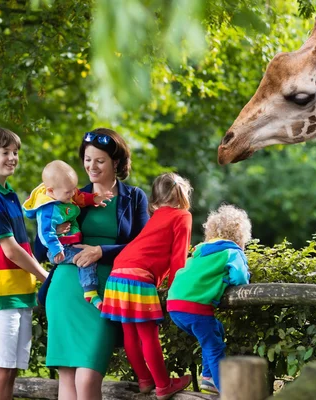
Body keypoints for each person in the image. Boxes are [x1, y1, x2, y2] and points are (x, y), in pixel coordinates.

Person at [41, 128, 149, 400]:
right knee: (67, 375)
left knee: (88, 376)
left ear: (116, 162)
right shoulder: (71, 195)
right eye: (88, 159)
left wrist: (102, 250)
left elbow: (143, 245)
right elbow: (40, 245)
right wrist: (58, 231)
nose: (92, 166)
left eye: (99, 160)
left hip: (106, 291)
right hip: (66, 287)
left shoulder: (134, 198)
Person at [0, 127, 48, 400]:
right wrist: (44, 276)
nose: (12, 158)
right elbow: (11, 251)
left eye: (15, 152)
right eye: (5, 152)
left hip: (19, 295)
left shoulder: (7, 194)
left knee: (11, 372)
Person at [101, 172, 194, 400]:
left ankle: (145, 380)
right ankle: (163, 385)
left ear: (154, 201)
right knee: (148, 334)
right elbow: (178, 258)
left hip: (118, 272)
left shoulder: (157, 216)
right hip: (138, 276)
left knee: (130, 330)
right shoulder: (183, 216)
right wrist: (175, 289)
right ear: (184, 195)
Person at [166, 204, 252, 394]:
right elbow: (240, 278)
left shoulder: (201, 250)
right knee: (214, 348)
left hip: (174, 304)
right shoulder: (232, 252)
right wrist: (228, 280)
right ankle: (227, 391)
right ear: (241, 235)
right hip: (195, 308)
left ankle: (207, 378)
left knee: (216, 330)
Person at [23, 160, 113, 310]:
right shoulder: (47, 209)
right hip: (59, 249)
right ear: (51, 191)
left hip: (69, 243)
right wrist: (57, 248)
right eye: (68, 192)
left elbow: (80, 197)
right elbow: (45, 233)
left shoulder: (64, 193)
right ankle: (90, 291)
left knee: (84, 257)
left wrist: (95, 198)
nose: (72, 193)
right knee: (85, 259)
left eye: (73, 189)